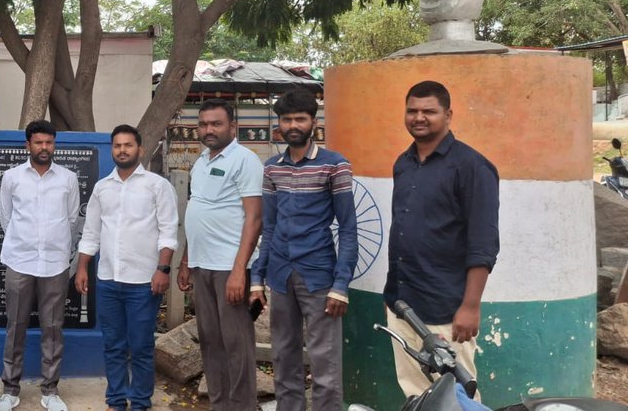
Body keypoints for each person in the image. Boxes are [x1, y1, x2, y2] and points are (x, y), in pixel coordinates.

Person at [384, 80, 499, 397]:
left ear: (448, 115)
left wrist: (470, 306)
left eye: (428, 111)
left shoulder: (472, 167)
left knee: (455, 396)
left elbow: (483, 244)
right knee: (416, 393)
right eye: (412, 111)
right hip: (402, 301)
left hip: (446, 309)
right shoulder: (403, 164)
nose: (418, 117)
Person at [249, 89, 358, 411]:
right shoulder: (272, 168)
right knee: (284, 358)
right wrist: (258, 278)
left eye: (300, 118)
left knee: (325, 366)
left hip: (320, 276)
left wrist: (341, 286)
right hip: (280, 276)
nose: (293, 125)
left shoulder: (335, 165)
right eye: (286, 119)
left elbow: (348, 228)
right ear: (279, 124)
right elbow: (269, 228)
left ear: (313, 122)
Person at [75, 125, 178, 411]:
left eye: (128, 145)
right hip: (108, 279)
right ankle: (116, 400)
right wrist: (83, 267)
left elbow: (169, 232)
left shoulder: (157, 186)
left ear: (140, 149)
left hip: (144, 282)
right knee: (113, 345)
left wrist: (163, 269)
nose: (122, 150)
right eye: (117, 146)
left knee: (142, 347)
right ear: (112, 149)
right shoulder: (102, 188)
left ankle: (141, 401)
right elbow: (91, 232)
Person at [176, 98, 264, 410]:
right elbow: (197, 211)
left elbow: (254, 219)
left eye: (216, 124)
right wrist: (187, 260)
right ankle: (219, 404)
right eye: (203, 124)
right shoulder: (201, 161)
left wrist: (240, 270)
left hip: (231, 267)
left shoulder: (245, 160)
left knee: (236, 344)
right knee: (211, 342)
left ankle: (241, 406)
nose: (209, 129)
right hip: (202, 266)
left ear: (233, 127)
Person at [0, 120, 80, 411]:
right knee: (15, 325)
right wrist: (26, 243)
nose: (45, 148)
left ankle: (50, 390)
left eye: (49, 142)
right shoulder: (12, 177)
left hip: (55, 263)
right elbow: (7, 218)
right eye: (39, 142)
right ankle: (10, 389)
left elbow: (71, 220)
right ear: (27, 145)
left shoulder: (67, 178)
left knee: (53, 327)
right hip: (20, 260)